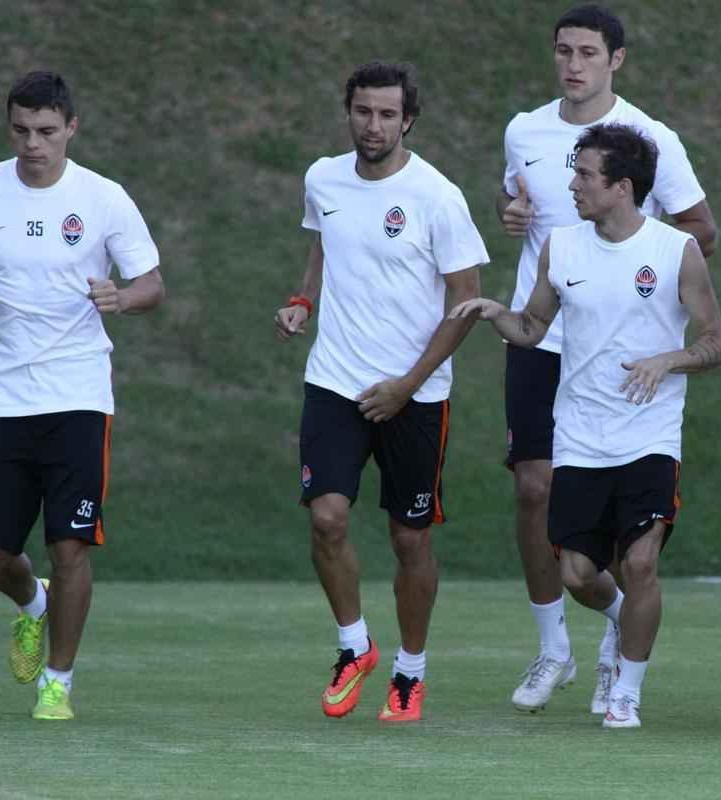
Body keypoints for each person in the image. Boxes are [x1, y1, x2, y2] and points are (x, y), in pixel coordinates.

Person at [455, 123, 721, 728]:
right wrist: (498, 314)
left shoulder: (672, 251)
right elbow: (532, 330)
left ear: (622, 187)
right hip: (578, 436)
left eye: (583, 175)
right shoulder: (562, 247)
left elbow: (716, 344)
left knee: (640, 563)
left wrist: (669, 359)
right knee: (578, 574)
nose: (571, 184)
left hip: (649, 435)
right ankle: (626, 619)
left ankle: (626, 690)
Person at [496, 3, 716, 714]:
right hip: (546, 332)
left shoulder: (650, 138)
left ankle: (618, 663)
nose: (573, 64)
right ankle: (553, 647)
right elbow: (519, 207)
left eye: (588, 52)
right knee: (535, 488)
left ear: (615, 60)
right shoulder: (524, 130)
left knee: (628, 531)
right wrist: (514, 219)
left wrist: (641, 279)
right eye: (563, 51)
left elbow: (699, 230)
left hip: (620, 347)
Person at [275, 62, 488, 724]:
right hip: (335, 380)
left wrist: (407, 385)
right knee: (327, 518)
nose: (374, 125)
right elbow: (324, 246)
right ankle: (354, 646)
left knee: (409, 540)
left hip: (414, 395)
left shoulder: (438, 197)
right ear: (349, 113)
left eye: (387, 114)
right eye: (363, 112)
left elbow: (468, 300)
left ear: (408, 121)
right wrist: (303, 299)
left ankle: (410, 671)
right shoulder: (323, 178)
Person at [0, 71, 164, 721]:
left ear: (71, 130)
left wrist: (123, 297)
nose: (33, 145)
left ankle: (59, 681)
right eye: (22, 131)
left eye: (47, 132)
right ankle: (33, 605)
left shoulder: (103, 199)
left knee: (71, 543)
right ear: (10, 128)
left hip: (77, 393)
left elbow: (152, 283)